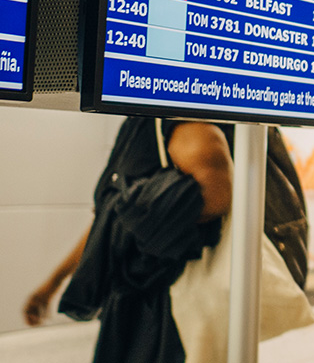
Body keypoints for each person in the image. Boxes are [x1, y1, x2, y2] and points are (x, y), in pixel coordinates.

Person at [23, 118, 233, 362]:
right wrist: (52, 284)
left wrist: (149, 214)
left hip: (168, 305)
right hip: (127, 305)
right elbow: (107, 223)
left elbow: (218, 197)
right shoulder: (137, 125)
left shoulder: (182, 126)